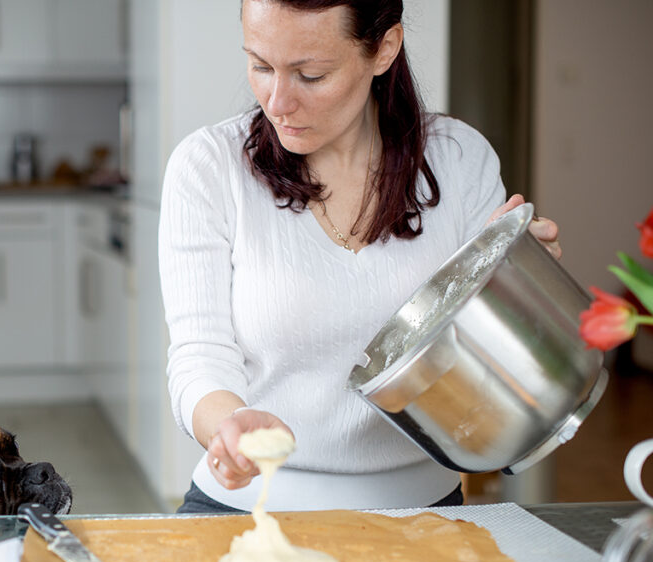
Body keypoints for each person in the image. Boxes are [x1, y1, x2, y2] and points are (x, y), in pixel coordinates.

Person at [158, 0, 562, 514]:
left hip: (425, 512)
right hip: (246, 506)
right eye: (260, 66)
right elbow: (199, 358)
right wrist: (228, 425)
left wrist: (519, 290)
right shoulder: (208, 167)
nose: (277, 102)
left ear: (384, 49)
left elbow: (492, 379)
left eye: (311, 74)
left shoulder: (460, 159)